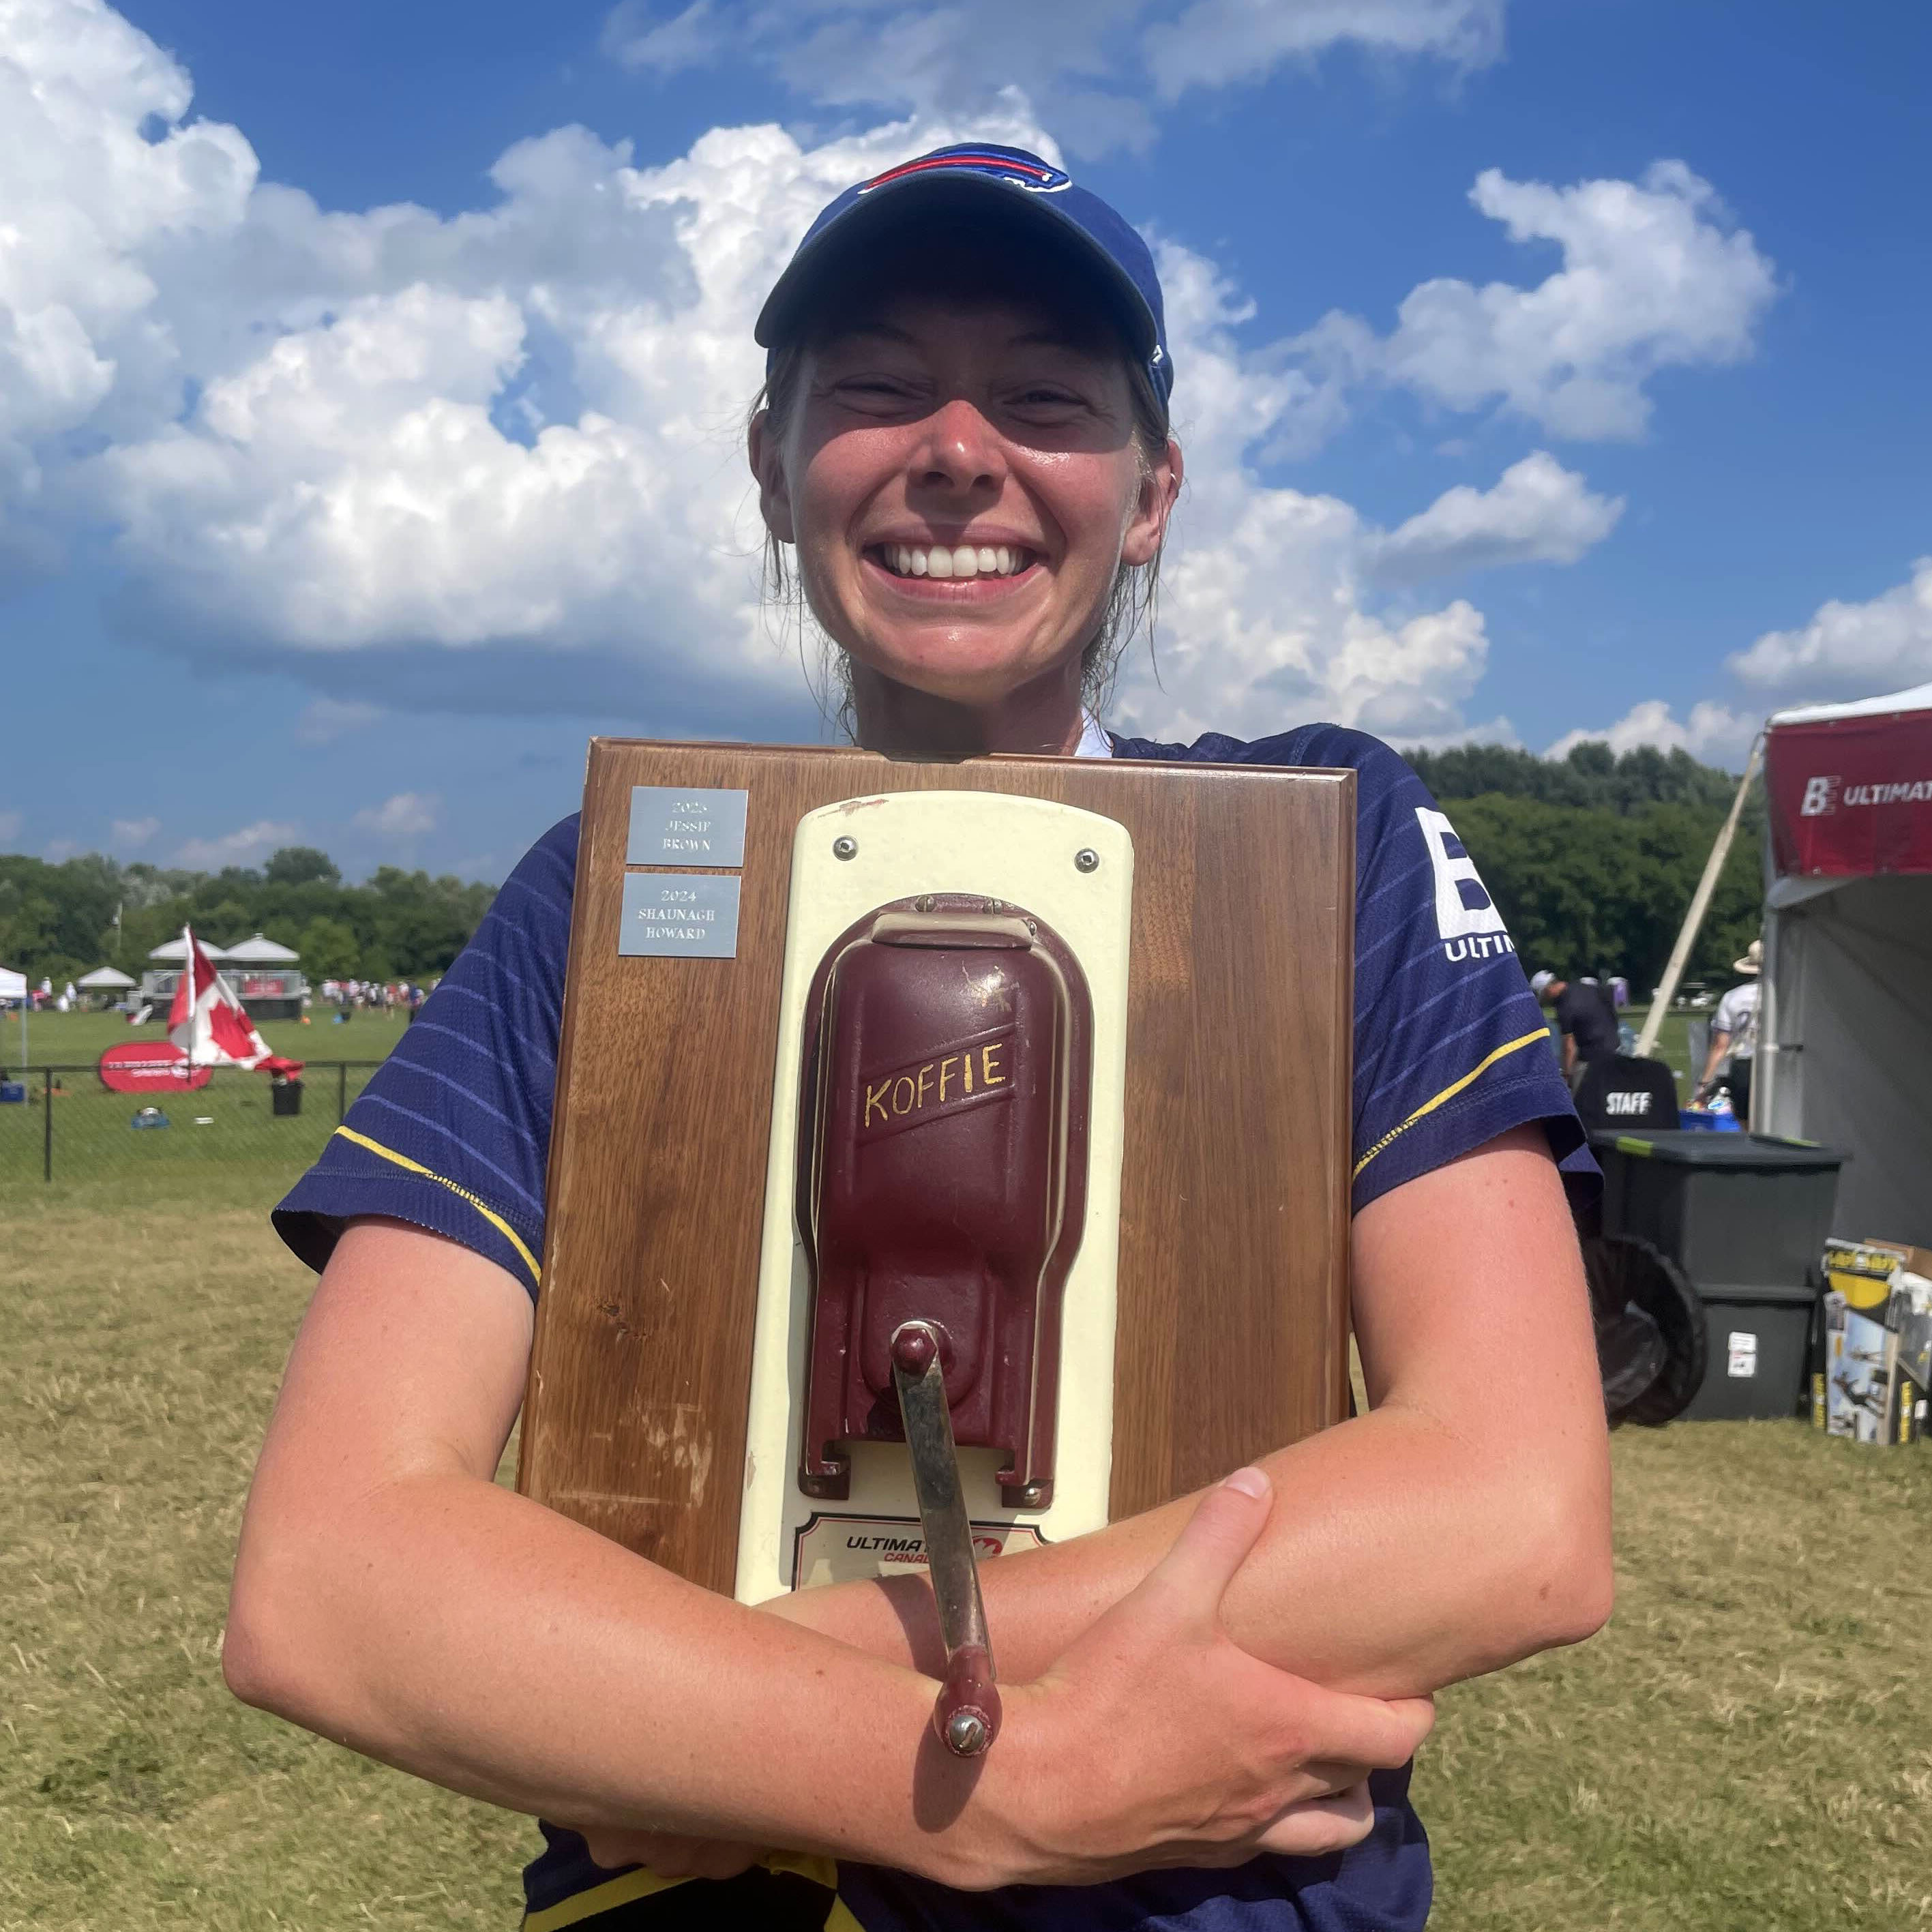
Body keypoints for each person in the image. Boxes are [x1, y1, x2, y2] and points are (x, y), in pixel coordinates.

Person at [225, 145, 1613, 1932]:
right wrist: (990, 1780)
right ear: (771, 463)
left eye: (1046, 400)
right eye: (875, 390)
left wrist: (727, 1684)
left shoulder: (1335, 843)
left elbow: (1509, 1512)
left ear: (1153, 489)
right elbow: (329, 1579)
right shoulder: (604, 892)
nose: (958, 452)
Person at [1697, 939, 1762, 1123]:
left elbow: (1720, 1046)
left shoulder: (1733, 997)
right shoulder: (1786, 995)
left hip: (1744, 1066)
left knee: (1746, 1123)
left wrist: (1704, 1084)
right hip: (1780, 1062)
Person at [1529, 969, 1620, 1082]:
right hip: (1615, 1048)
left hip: (1592, 1057)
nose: (1547, 1001)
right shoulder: (1587, 988)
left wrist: (1567, 1075)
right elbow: (1611, 1010)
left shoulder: (1564, 1007)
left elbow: (1569, 1046)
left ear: (1548, 989)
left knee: (1579, 1093)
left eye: (1544, 997)